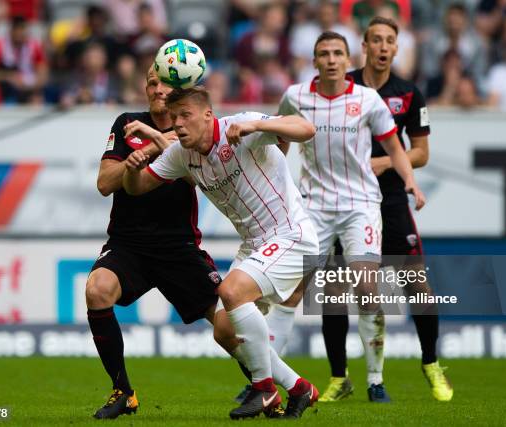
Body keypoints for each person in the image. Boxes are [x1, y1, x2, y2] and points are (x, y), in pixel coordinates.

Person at [122, 86, 321, 419]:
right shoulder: (181, 154)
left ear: (207, 115)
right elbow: (138, 187)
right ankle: (299, 388)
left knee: (230, 291)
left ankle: (264, 390)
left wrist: (260, 127)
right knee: (224, 330)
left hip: (292, 234)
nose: (178, 124)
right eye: (174, 118)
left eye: (185, 115)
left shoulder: (241, 126)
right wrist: (130, 169)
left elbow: (306, 130)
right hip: (255, 244)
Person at [274, 29, 426, 403]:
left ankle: (375, 379)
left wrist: (410, 182)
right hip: (313, 206)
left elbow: (395, 146)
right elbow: (279, 143)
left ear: (347, 60)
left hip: (360, 204)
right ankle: (263, 377)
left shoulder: (368, 100)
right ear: (314, 61)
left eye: (337, 53)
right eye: (323, 53)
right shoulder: (295, 97)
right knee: (292, 289)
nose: (330, 59)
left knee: (366, 285)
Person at [85, 65, 226, 419]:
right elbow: (105, 183)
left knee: (226, 320)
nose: (157, 87)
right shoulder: (126, 123)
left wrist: (155, 145)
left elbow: (200, 179)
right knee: (97, 290)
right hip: (129, 244)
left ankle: (264, 387)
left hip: (178, 246)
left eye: (164, 81)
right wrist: (143, 152)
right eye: (151, 82)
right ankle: (123, 392)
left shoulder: (189, 125)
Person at [339, 16, 452, 402]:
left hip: (389, 198)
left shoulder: (409, 94)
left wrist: (386, 162)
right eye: (377, 40)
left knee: (417, 286)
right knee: (336, 290)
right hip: (345, 199)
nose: (384, 47)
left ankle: (431, 363)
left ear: (396, 48)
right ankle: (342, 378)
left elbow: (420, 152)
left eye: (390, 41)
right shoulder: (344, 86)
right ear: (365, 46)